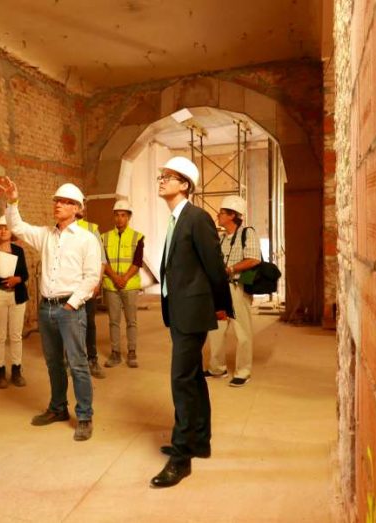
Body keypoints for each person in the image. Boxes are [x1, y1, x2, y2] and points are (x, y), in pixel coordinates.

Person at [151, 156, 233, 488]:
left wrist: (222, 306)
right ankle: (200, 441)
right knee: (193, 379)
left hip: (193, 310)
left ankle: (181, 457)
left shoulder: (196, 218)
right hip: (181, 309)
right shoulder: (175, 219)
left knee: (181, 381)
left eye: (168, 177)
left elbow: (214, 265)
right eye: (161, 176)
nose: (161, 180)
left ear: (185, 184)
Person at [0, 177, 100, 442]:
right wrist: (12, 201)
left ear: (78, 209)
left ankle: (85, 415)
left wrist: (71, 304)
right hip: (46, 308)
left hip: (70, 309)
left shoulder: (87, 239)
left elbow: (91, 277)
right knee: (54, 363)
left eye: (65, 202)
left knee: (77, 364)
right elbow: (16, 226)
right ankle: (58, 408)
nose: (58, 205)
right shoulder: (45, 235)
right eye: (57, 200)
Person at [205, 195, 261, 387]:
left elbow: (253, 259)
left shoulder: (247, 233)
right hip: (220, 289)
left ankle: (243, 372)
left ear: (232, 215)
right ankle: (216, 368)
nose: (218, 215)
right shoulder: (221, 239)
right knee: (216, 330)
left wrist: (230, 269)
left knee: (242, 331)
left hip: (237, 287)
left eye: (221, 212)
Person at [0, 215, 29, 388]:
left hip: (16, 295)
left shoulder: (18, 251)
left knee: (16, 335)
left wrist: (17, 279)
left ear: (11, 232)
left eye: (6, 228)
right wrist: (5, 281)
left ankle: (16, 370)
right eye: (0, 228)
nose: (3, 231)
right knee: (0, 336)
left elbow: (25, 274)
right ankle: (0, 372)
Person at [101, 200, 144, 368]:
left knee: (131, 321)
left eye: (123, 215)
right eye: (117, 215)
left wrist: (124, 278)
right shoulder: (104, 237)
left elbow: (137, 262)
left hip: (130, 286)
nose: (119, 219)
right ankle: (115, 353)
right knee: (113, 321)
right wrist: (115, 278)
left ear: (129, 217)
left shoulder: (137, 237)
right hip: (111, 286)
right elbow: (103, 261)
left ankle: (132, 352)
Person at [76, 209, 107, 379]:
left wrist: (97, 282)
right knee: (69, 324)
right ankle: (71, 360)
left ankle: (92, 359)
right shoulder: (59, 229)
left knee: (88, 322)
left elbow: (102, 259)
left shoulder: (91, 229)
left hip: (87, 285)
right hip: (69, 286)